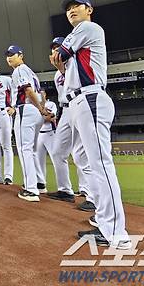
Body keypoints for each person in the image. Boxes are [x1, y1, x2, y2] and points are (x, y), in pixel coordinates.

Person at [54, 0, 130, 249]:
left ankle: (117, 234)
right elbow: (61, 61)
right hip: (78, 102)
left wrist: (62, 57)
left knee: (101, 163)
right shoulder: (81, 39)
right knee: (86, 160)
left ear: (89, 10)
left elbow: (59, 55)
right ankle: (103, 217)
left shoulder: (87, 27)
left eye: (76, 6)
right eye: (68, 9)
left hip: (90, 98)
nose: (72, 10)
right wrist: (62, 59)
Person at [46, 37, 95, 212]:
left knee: (82, 154)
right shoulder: (56, 74)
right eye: (53, 49)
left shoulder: (75, 63)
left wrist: (62, 69)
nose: (55, 51)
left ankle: (92, 196)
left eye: (58, 47)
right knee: (58, 151)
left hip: (80, 104)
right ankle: (65, 190)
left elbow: (77, 84)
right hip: (65, 110)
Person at [6, 45, 49, 202]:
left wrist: (40, 108)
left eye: (12, 54)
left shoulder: (19, 70)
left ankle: (31, 189)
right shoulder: (31, 72)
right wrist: (41, 108)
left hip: (26, 110)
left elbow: (28, 91)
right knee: (32, 150)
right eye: (7, 55)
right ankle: (39, 183)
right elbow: (41, 93)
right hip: (34, 112)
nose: (9, 57)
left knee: (25, 150)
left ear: (21, 55)